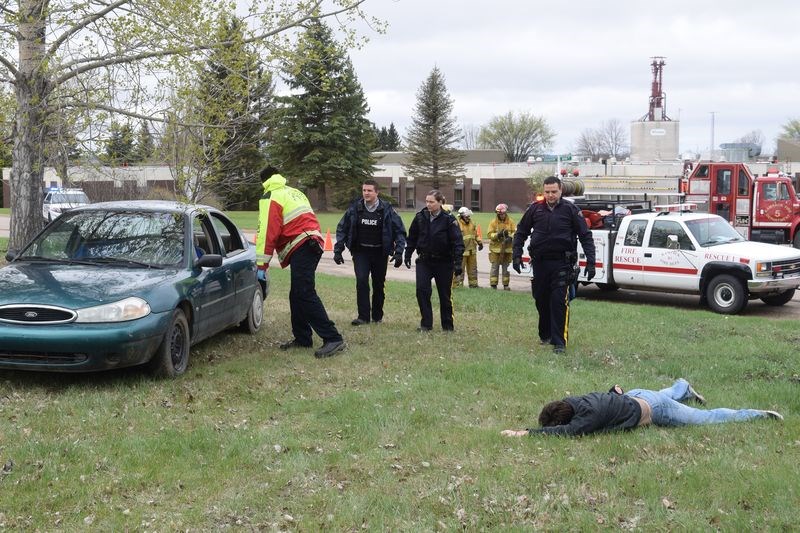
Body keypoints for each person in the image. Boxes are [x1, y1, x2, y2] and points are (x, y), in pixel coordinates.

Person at [256, 169, 345, 358]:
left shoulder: (270, 196)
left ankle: (333, 338)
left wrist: (261, 265)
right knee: (296, 293)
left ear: (263, 182)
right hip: (312, 242)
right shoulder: (294, 192)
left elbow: (266, 232)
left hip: (302, 245)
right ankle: (302, 338)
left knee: (304, 293)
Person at [501, 378, 783, 437]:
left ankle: (757, 414)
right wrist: (615, 392)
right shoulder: (575, 401)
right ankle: (683, 387)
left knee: (705, 419)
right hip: (635, 393)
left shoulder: (589, 417)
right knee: (666, 394)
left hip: (654, 409)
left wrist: (525, 433)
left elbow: (567, 433)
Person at [512, 176, 596, 354]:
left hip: (562, 264)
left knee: (559, 302)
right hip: (540, 263)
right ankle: (546, 335)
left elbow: (585, 236)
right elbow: (521, 232)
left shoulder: (571, 210)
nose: (550, 195)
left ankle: (559, 342)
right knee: (541, 300)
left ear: (560, 191)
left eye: (554, 192)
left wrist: (591, 262)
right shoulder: (535, 209)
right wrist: (516, 255)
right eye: (547, 192)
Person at [333, 179, 407, 325]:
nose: (366, 193)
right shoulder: (355, 208)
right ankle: (363, 317)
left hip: (380, 253)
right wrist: (338, 250)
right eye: (364, 190)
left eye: (369, 191)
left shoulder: (387, 209)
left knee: (378, 285)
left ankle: (377, 316)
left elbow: (399, 230)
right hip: (361, 253)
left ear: (376, 192)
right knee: (361, 281)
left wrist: (399, 252)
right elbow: (342, 228)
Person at [404, 190, 465, 331]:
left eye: (431, 202)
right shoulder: (420, 217)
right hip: (424, 261)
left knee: (444, 295)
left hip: (444, 262)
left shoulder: (449, 220)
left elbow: (457, 242)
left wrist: (457, 263)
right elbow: (412, 237)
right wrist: (408, 254)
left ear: (440, 202)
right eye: (427, 201)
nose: (428, 204)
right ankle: (426, 324)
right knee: (422, 291)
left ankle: (447, 326)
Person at [487, 203, 516, 290]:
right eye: (500, 214)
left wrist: (510, 238)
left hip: (507, 250)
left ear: (506, 213)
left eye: (503, 214)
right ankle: (493, 284)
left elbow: (516, 232)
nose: (502, 215)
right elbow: (489, 235)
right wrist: (497, 235)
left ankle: (506, 285)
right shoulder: (493, 222)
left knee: (506, 269)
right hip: (495, 250)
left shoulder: (511, 222)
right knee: (495, 268)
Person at [452, 206, 482, 288]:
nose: (468, 217)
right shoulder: (457, 224)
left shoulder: (471, 223)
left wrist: (480, 242)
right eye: (467, 216)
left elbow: (475, 234)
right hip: (462, 252)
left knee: (473, 269)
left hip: (472, 251)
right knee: (460, 269)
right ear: (461, 216)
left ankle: (473, 285)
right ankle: (458, 285)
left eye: (469, 216)